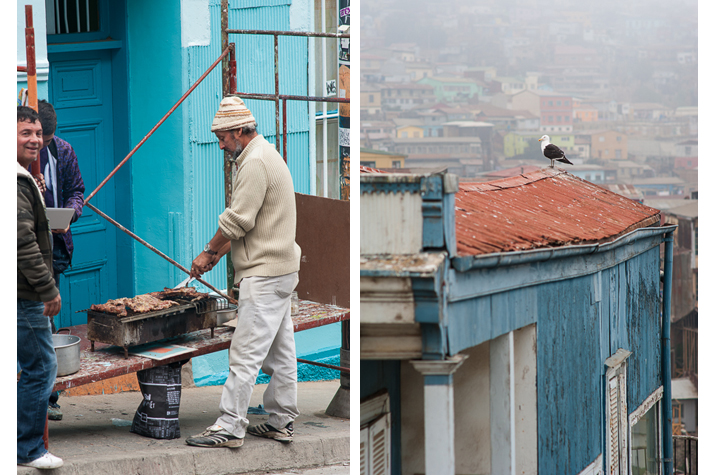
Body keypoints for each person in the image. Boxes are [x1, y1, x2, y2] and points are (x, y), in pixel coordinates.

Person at [185, 97, 301, 448]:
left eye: (223, 138)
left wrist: (208, 251)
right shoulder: (263, 154)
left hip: (265, 274)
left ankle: (230, 425)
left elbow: (238, 220)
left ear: (239, 131)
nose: (221, 145)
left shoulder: (254, 162)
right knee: (281, 353)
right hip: (280, 269)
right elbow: (247, 220)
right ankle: (281, 420)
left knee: (245, 354)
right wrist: (218, 254)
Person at [17, 106, 64, 469]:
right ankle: (28, 447)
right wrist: (48, 289)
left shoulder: (23, 178)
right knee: (42, 367)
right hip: (24, 293)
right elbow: (23, 243)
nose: (34, 140)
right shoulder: (16, 181)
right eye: (25, 133)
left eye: (37, 134)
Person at [36, 99, 85, 421]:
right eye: (40, 137)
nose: (41, 144)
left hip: (52, 246)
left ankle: (48, 395)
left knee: (46, 319)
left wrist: (71, 214)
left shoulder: (62, 151)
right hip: (21, 247)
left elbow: (77, 191)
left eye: (48, 139)